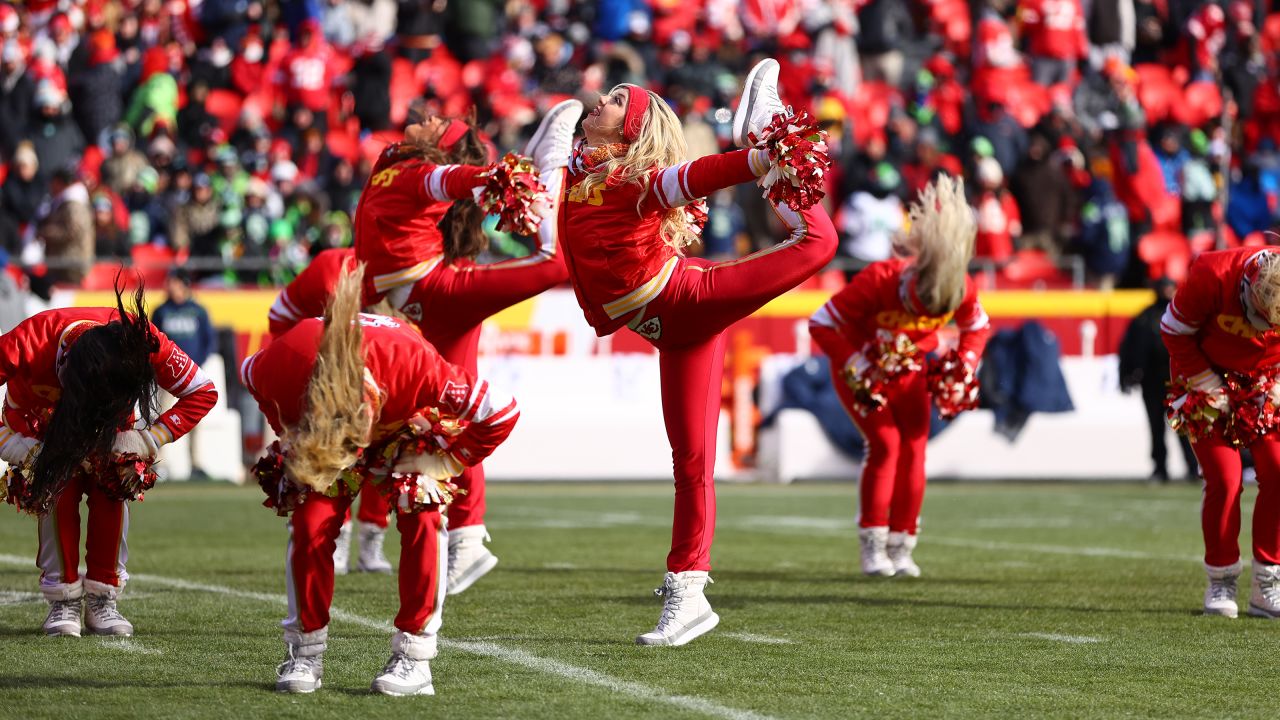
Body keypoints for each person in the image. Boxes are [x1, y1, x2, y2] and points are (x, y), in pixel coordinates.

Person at [555, 59, 838, 645]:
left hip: (688, 299)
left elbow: (699, 176)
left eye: (613, 98)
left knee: (819, 241)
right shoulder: (585, 176)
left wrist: (764, 154)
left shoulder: (636, 181)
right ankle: (689, 594)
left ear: (628, 127)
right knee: (691, 463)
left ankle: (765, 124)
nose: (599, 101)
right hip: (670, 328)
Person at [241, 265, 519, 695]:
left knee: (423, 508)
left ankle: (415, 656)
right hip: (320, 430)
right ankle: (305, 653)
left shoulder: (413, 364)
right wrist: (291, 433)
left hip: (403, 425)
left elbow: (501, 411)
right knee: (311, 520)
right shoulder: (286, 360)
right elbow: (250, 377)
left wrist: (447, 461)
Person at [354, 104, 578, 594]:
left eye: (438, 124)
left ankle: (554, 158)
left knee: (552, 261)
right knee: (439, 412)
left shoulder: (419, 175)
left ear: (439, 148)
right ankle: (466, 539)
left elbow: (451, 181)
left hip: (430, 293)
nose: (425, 116)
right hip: (411, 303)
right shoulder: (394, 161)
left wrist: (506, 175)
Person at [0, 283, 218, 637]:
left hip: (114, 430)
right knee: (58, 492)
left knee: (112, 490)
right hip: (39, 430)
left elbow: (202, 391)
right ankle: (63, 600)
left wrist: (147, 439)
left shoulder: (142, 341)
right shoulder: (29, 340)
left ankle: (103, 596)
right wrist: (13, 445)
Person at [808, 175, 992, 578]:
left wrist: (964, 364)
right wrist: (856, 363)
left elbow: (977, 327)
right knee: (886, 445)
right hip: (863, 369)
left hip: (909, 372)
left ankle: (902, 543)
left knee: (915, 447)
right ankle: (873, 544)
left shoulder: (961, 287)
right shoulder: (881, 279)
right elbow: (821, 323)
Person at [1160, 247, 1280, 619]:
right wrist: (1209, 384)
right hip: (1204, 375)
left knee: (1278, 471)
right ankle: (1221, 577)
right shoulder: (1211, 275)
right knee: (1225, 479)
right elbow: (1173, 331)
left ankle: (1268, 583)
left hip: (1267, 380)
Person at [268, 247, 395, 575]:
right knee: (333, 444)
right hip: (304, 344)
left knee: (386, 439)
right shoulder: (333, 270)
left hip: (350, 344)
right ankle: (334, 536)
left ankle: (372, 540)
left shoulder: (400, 266)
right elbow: (338, 335)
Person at [1119, 277, 1199, 482]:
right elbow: (1129, 348)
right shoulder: (1145, 317)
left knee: (1182, 427)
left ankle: (1192, 467)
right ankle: (1160, 468)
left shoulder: (1185, 316)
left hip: (1178, 382)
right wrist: (1126, 375)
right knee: (1156, 428)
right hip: (1152, 381)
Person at [151, 269, 219, 481]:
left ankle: (196, 464)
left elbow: (209, 340)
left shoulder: (198, 311)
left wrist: (197, 363)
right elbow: (152, 338)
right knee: (160, 414)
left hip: (191, 375)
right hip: (166, 374)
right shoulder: (161, 311)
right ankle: (157, 464)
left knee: (194, 417)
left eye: (173, 282)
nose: (169, 286)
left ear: (183, 284)